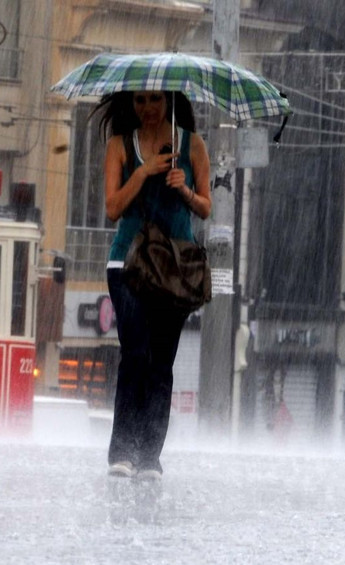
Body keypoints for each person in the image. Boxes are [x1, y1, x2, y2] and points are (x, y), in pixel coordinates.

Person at [95, 90, 211, 480]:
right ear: (131, 103)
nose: (148, 108)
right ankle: (122, 452)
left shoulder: (193, 144)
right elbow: (112, 208)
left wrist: (184, 188)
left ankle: (150, 456)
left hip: (175, 267)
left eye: (156, 100)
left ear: (169, 101)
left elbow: (206, 207)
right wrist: (143, 173)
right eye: (141, 100)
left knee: (161, 363)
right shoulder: (119, 145)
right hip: (126, 262)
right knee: (135, 354)